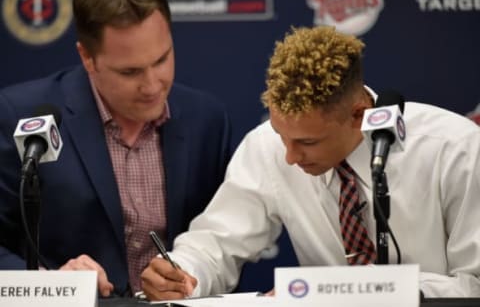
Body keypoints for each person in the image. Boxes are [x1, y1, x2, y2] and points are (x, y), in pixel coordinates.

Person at [141, 25, 480, 299]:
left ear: (359, 115)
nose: (289, 156)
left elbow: (474, 283)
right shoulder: (267, 147)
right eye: (282, 136)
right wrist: (183, 272)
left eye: (307, 142)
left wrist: (358, 295)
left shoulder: (456, 151)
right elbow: (217, 241)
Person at [0, 0, 231, 298]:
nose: (151, 85)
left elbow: (223, 244)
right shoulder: (22, 115)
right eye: (129, 72)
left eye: (161, 59)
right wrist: (52, 284)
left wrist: (189, 277)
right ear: (87, 58)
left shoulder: (207, 121)